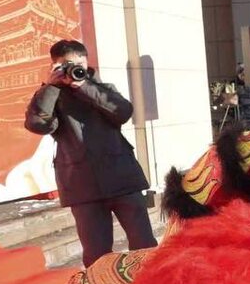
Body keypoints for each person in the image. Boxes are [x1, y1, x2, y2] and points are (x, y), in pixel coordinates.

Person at [24, 40, 157, 267]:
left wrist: (83, 86)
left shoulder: (103, 88)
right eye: (64, 65)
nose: (71, 70)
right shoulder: (51, 96)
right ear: (54, 66)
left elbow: (122, 111)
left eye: (77, 64)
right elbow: (37, 124)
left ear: (86, 63)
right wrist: (50, 88)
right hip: (81, 185)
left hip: (121, 177)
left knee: (144, 245)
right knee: (96, 256)